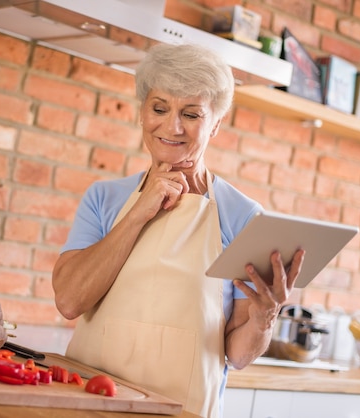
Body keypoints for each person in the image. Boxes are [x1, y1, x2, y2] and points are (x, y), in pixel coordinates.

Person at [52, 43, 305, 418]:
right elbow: (70, 300)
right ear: (142, 112)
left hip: (181, 410)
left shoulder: (242, 216)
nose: (171, 127)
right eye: (159, 108)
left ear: (216, 123)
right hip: (90, 401)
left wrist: (264, 317)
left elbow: (236, 353)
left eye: (191, 114)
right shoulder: (105, 198)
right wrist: (139, 212)